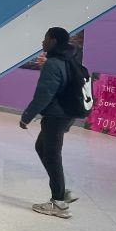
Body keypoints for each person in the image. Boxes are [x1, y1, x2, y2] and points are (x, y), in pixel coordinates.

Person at [20, 27, 80, 219]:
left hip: (56, 115)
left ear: (53, 41)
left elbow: (44, 94)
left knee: (52, 154)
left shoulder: (53, 63)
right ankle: (61, 190)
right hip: (66, 113)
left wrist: (27, 116)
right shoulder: (69, 59)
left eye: (45, 38)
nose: (42, 42)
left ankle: (58, 203)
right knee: (42, 147)